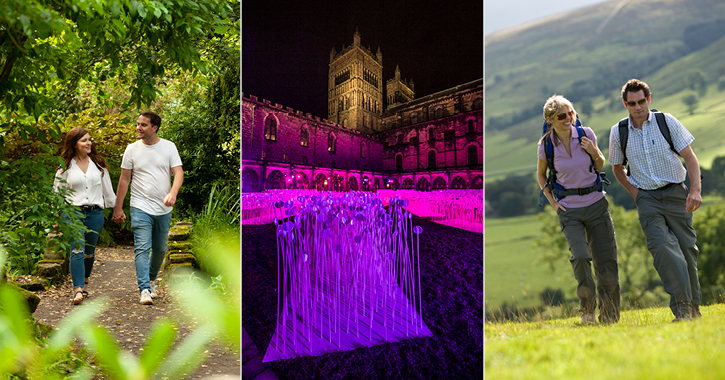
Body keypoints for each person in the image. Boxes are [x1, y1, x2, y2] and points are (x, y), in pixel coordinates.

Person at [609, 79, 702, 322]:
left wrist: (695, 191)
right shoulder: (618, 131)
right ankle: (682, 310)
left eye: (641, 101)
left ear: (648, 99)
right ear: (625, 104)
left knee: (687, 251)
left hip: (676, 194)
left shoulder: (666, 122)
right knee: (662, 249)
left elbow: (690, 159)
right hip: (647, 198)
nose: (637, 107)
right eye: (632, 103)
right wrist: (635, 193)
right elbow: (617, 168)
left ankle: (694, 309)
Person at [537, 95, 620, 324]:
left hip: (596, 204)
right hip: (569, 209)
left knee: (606, 262)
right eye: (562, 116)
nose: (568, 118)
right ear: (550, 119)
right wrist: (554, 204)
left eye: (571, 113)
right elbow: (541, 175)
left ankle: (610, 317)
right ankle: (588, 312)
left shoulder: (586, 134)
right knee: (581, 257)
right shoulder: (546, 145)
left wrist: (594, 151)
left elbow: (601, 164)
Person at [112, 111, 183, 305]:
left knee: (160, 249)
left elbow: (178, 173)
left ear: (154, 127)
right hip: (139, 206)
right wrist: (118, 207)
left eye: (143, 125)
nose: (138, 128)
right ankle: (144, 289)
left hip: (163, 208)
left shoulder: (169, 147)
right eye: (137, 124)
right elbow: (124, 179)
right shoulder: (131, 149)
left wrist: (173, 193)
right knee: (142, 248)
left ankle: (151, 280)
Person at [54, 128, 117, 305]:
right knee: (77, 249)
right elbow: (57, 194)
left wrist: (117, 210)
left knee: (89, 253)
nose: (88, 143)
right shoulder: (64, 166)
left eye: (89, 140)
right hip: (72, 213)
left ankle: (85, 281)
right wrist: (55, 217)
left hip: (95, 213)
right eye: (84, 140)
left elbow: (108, 192)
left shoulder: (99, 165)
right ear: (74, 144)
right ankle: (78, 289)